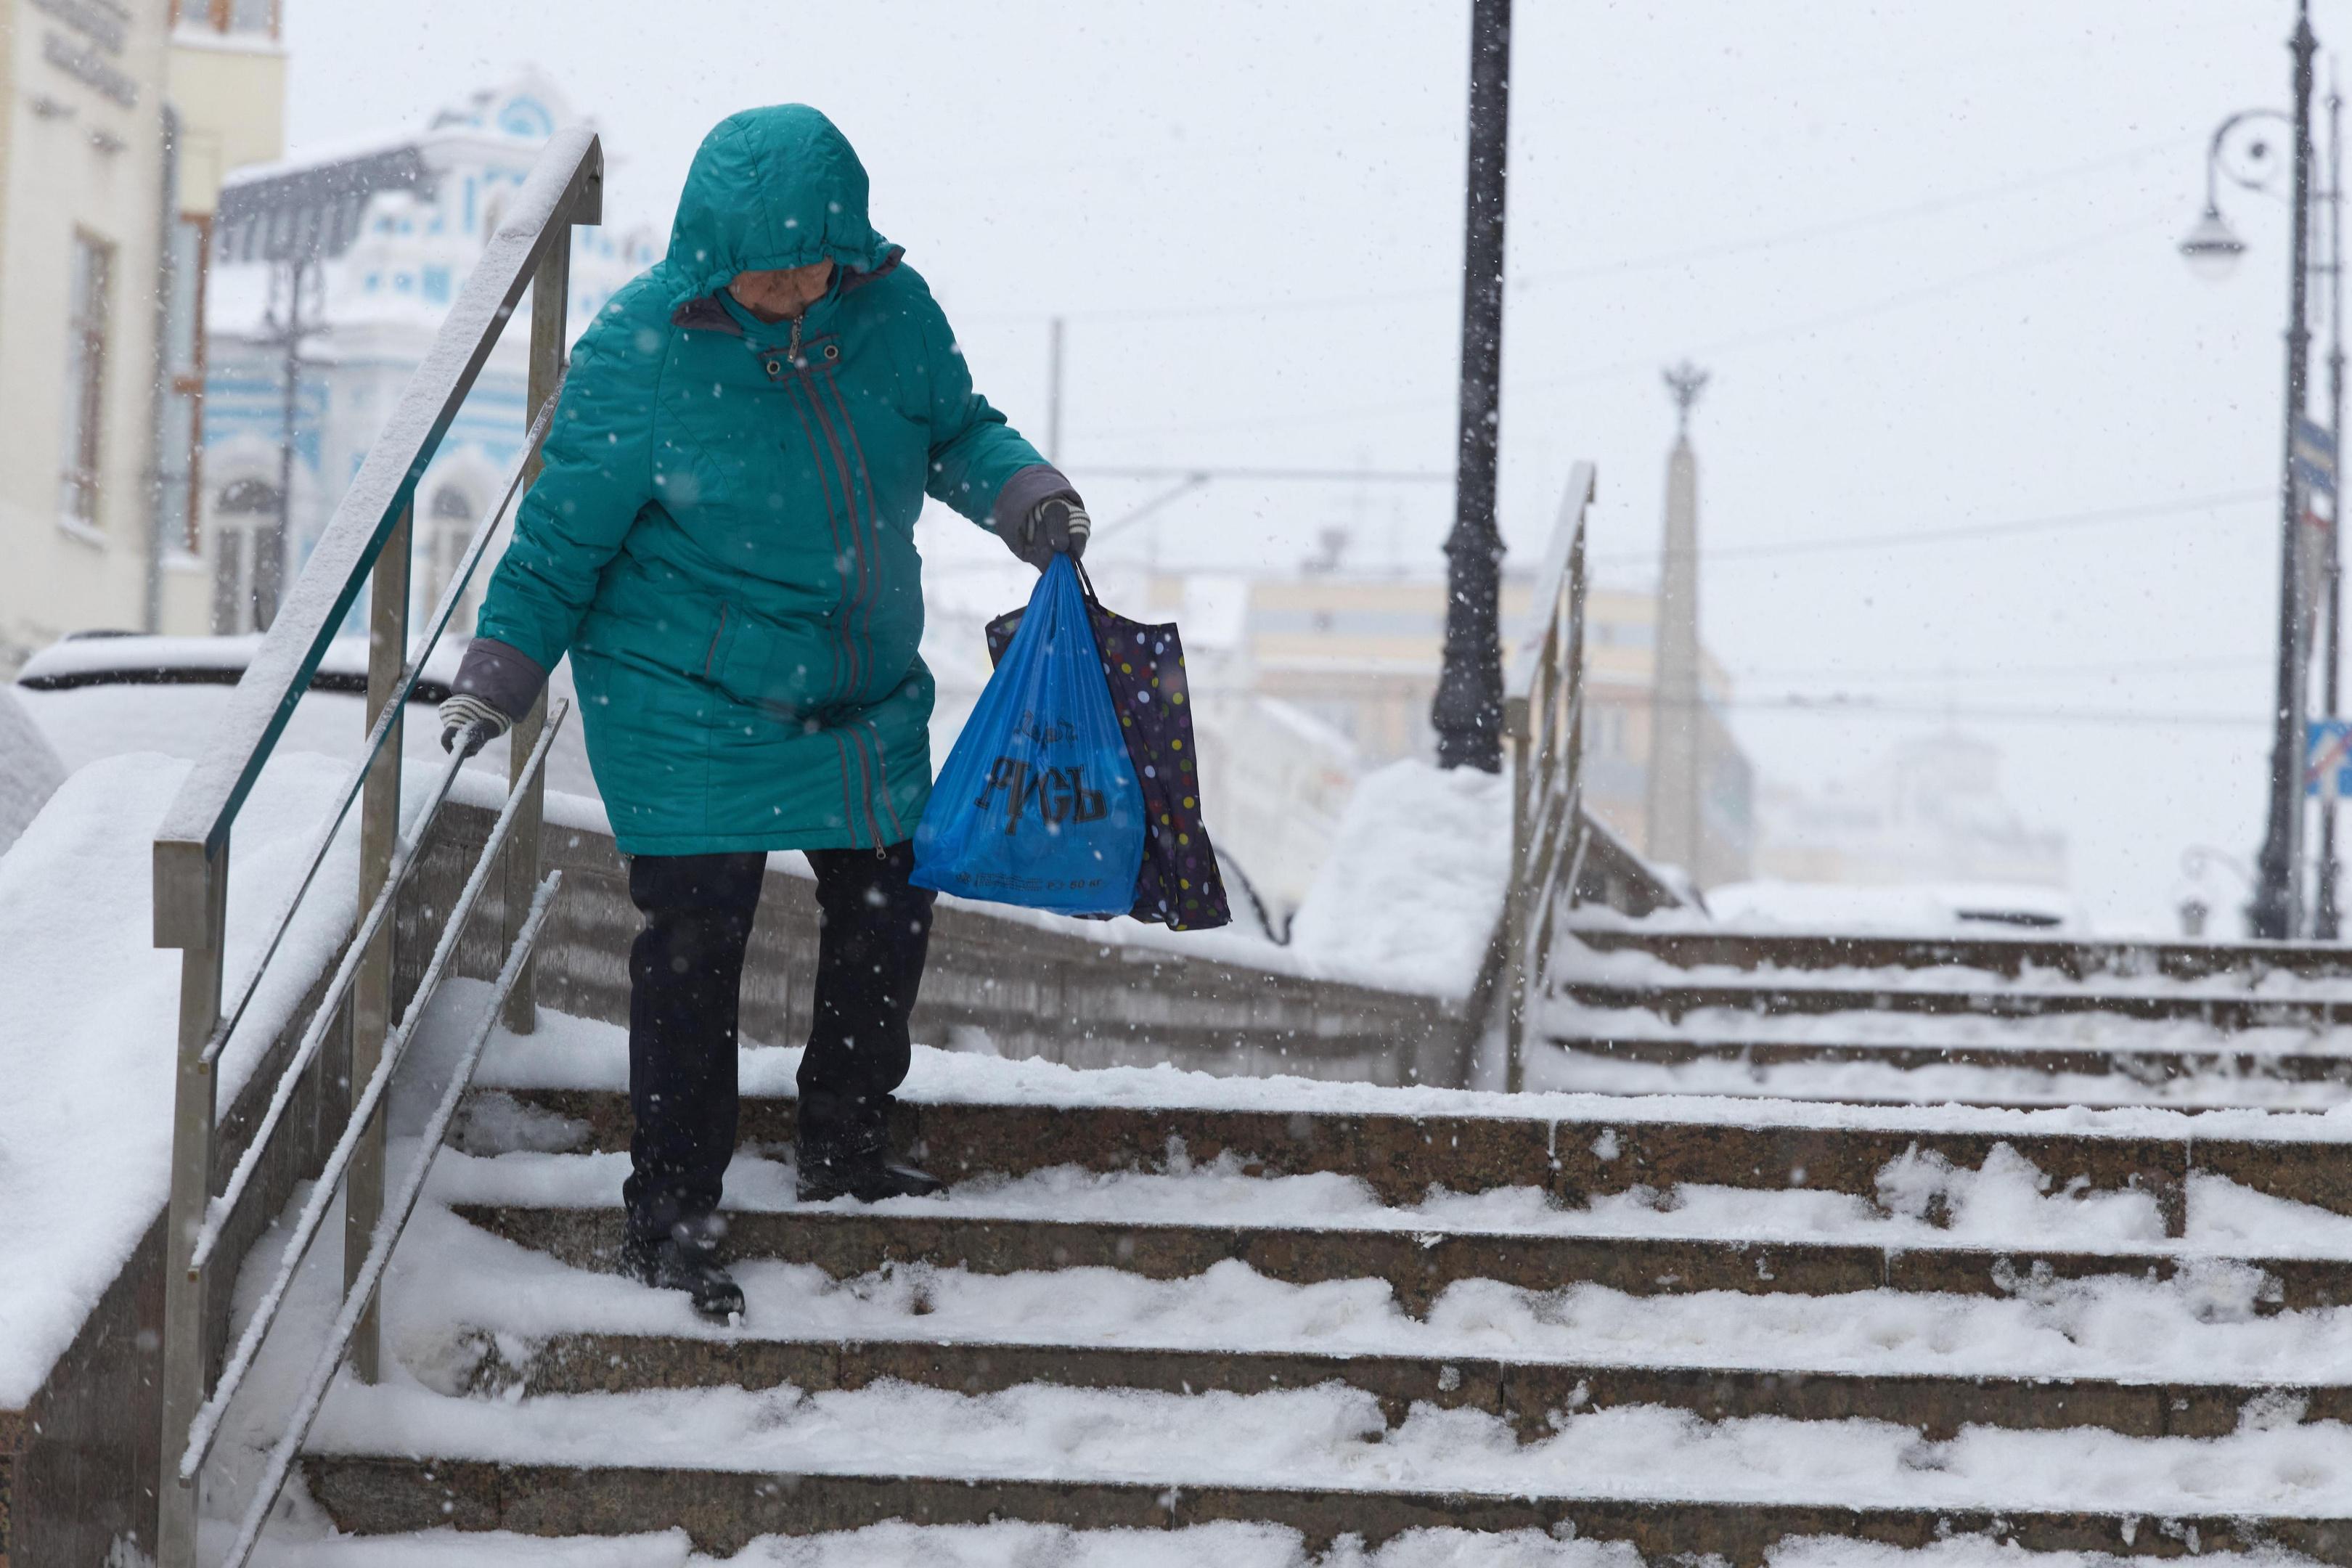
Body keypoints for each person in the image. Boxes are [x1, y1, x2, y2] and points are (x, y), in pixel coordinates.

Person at [437, 104, 1089, 1321]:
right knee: (695, 946)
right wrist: (500, 672)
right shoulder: (642, 344)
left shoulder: (891, 311)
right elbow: (561, 539)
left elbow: (956, 430)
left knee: (887, 901)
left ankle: (844, 1141)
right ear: (709, 253)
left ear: (852, 238)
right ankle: (671, 1214)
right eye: (765, 266)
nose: (793, 285)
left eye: (812, 259)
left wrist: (1026, 497)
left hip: (856, 682)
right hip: (685, 689)